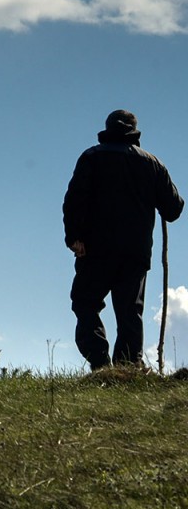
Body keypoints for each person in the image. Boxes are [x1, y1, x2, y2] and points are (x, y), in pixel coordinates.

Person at [63, 110, 184, 370]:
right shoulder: (153, 164)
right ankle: (127, 367)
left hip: (95, 248)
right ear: (135, 131)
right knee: (129, 312)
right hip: (135, 252)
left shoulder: (92, 157)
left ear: (107, 129)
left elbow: (74, 199)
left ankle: (100, 362)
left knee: (85, 302)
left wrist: (74, 236)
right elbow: (173, 209)